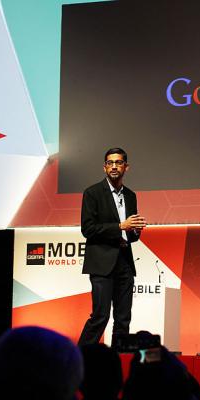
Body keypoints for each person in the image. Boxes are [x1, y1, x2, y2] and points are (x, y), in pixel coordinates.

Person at [78, 147, 146, 346]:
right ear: (104, 167)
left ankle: (119, 359)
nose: (114, 166)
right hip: (102, 263)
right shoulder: (92, 193)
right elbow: (88, 229)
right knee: (100, 316)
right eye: (110, 163)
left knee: (123, 318)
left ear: (126, 167)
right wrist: (120, 226)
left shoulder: (131, 195)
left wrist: (135, 230)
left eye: (118, 162)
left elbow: (130, 235)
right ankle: (78, 358)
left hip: (124, 261)